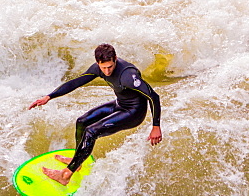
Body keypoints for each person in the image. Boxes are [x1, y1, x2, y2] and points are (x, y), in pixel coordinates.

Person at [28, 44, 163, 185]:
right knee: (82, 122)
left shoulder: (128, 76)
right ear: (97, 62)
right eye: (103, 67)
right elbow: (76, 83)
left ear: (115, 59)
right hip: (120, 104)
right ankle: (77, 161)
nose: (107, 71)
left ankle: (66, 175)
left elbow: (154, 96)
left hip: (133, 113)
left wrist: (156, 126)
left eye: (110, 66)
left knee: (91, 132)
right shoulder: (98, 68)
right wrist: (49, 97)